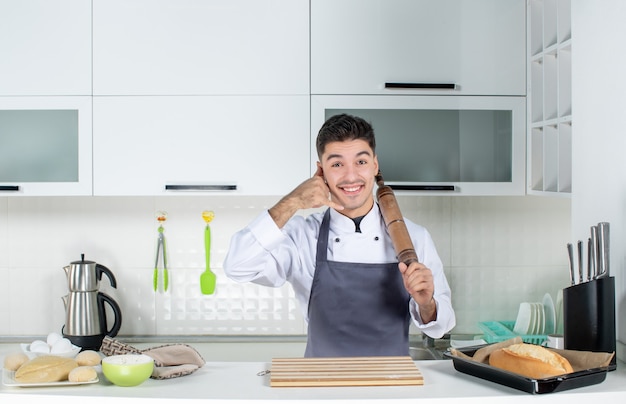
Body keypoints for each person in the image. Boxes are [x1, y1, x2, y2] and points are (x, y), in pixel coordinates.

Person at [223, 113, 455, 357]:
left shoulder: (414, 238)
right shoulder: (302, 236)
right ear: (320, 171)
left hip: (390, 387)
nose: (351, 176)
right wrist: (291, 202)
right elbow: (237, 266)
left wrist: (426, 303)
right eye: (337, 164)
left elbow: (442, 327)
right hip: (321, 388)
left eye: (361, 162)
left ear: (375, 165)